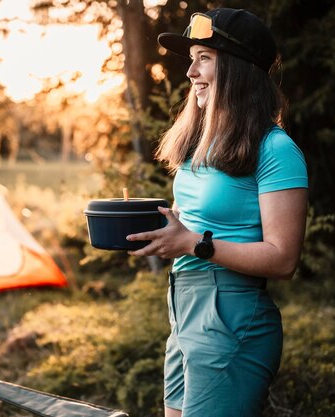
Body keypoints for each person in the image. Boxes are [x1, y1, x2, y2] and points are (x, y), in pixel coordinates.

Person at [126, 8, 308, 417]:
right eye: (192, 59)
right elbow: (190, 221)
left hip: (232, 318)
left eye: (204, 57)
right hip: (184, 310)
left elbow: (283, 258)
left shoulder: (275, 150)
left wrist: (191, 243)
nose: (190, 71)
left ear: (239, 69)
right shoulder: (198, 146)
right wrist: (153, 230)